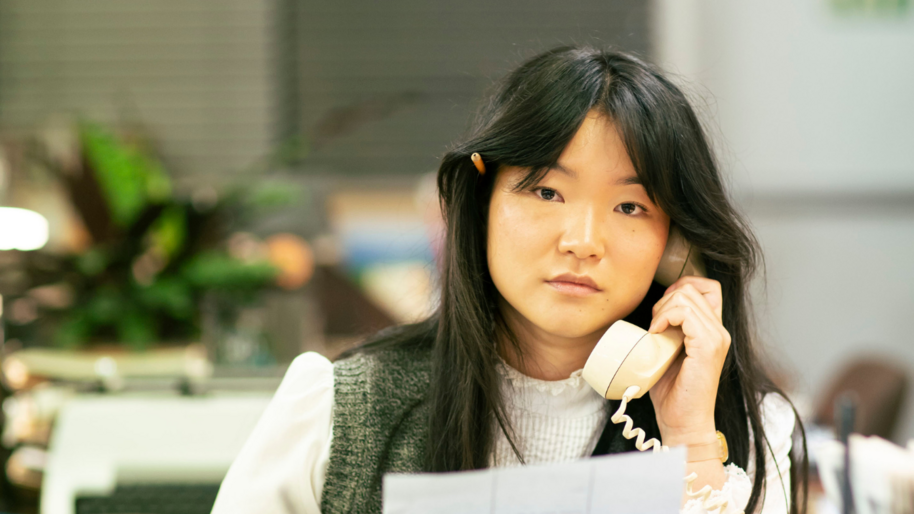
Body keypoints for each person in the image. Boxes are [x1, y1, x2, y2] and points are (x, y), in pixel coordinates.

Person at [211, 46, 807, 514]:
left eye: (631, 207)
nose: (582, 240)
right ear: (483, 202)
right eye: (547, 191)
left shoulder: (744, 430)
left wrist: (689, 441)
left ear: (676, 247)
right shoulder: (337, 411)